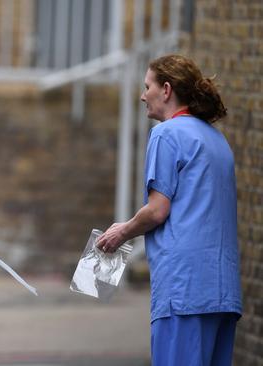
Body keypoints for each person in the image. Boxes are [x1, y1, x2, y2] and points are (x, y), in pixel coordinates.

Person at [95, 54, 242, 365]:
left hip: (183, 289)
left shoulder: (167, 134)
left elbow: (158, 210)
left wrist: (122, 231)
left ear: (165, 89)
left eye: (147, 86)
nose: (142, 95)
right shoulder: (217, 140)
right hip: (222, 290)